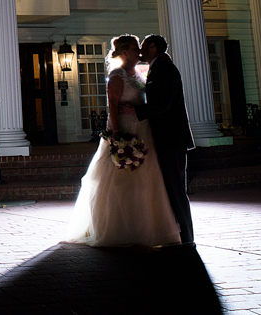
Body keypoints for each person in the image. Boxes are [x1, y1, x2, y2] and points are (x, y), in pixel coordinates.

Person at [65, 34, 181, 247]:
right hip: (125, 130)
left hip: (143, 130)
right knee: (122, 180)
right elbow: (112, 107)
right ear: (126, 52)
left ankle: (148, 227)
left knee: (147, 180)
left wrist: (165, 58)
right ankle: (118, 229)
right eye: (137, 47)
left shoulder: (138, 73)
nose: (140, 51)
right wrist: (117, 136)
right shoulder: (117, 75)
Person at [133, 34, 196, 246]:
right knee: (172, 188)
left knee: (177, 188)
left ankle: (187, 237)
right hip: (166, 138)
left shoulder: (165, 69)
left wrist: (135, 111)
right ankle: (180, 233)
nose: (140, 51)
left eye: (143, 46)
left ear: (152, 46)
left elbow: (164, 104)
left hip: (172, 138)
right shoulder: (158, 66)